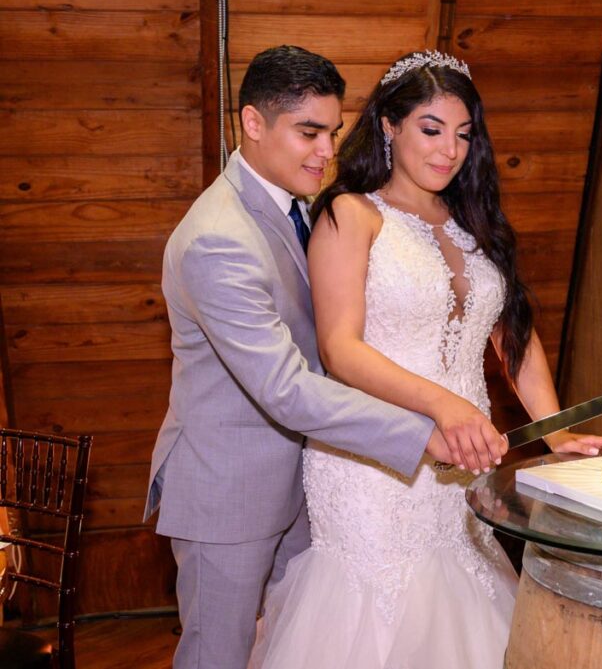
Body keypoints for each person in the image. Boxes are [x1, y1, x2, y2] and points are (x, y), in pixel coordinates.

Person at [144, 45, 502, 669]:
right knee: (217, 657)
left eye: (333, 132)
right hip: (231, 491)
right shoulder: (216, 240)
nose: (326, 152)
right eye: (308, 133)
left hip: (309, 481)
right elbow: (287, 388)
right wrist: (423, 431)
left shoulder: (298, 207)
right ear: (253, 124)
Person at [248, 51, 602, 669]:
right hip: (374, 465)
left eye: (464, 135)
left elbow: (512, 336)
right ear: (389, 126)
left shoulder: (473, 223)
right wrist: (444, 405)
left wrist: (555, 432)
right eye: (431, 130)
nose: (449, 151)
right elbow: (340, 350)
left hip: (460, 462)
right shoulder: (350, 214)